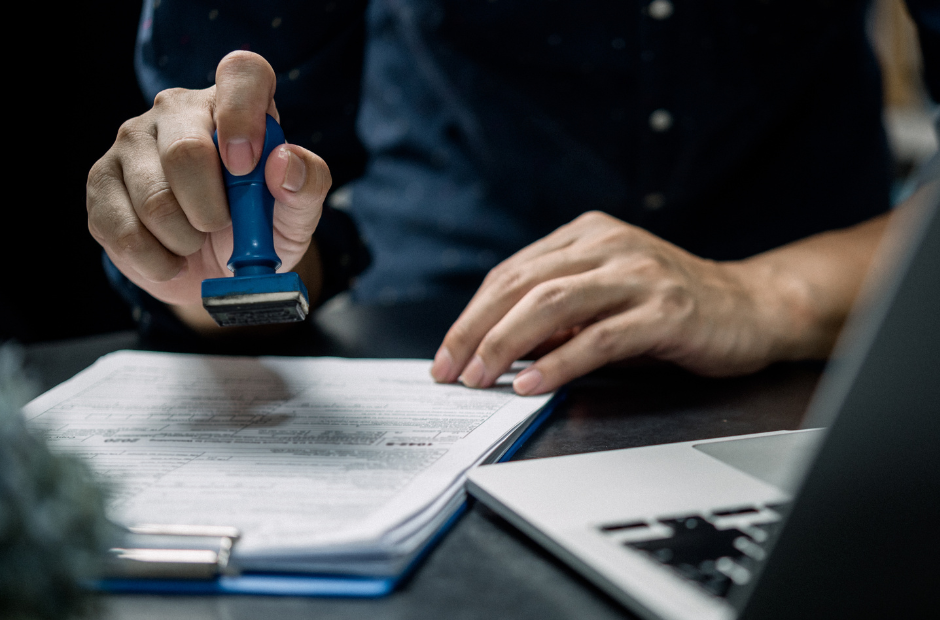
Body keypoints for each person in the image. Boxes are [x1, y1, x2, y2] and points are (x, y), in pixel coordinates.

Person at [86, 0, 940, 396]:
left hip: (840, 343)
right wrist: (217, 275)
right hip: (438, 363)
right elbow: (253, 257)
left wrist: (771, 294)